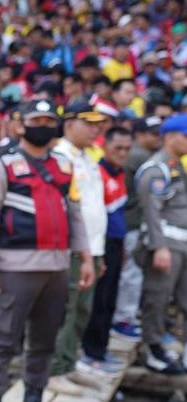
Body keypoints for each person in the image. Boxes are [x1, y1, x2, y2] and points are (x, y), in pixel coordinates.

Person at [0, 99, 94, 402]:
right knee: (3, 341)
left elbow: (75, 214)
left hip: (57, 267)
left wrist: (84, 257)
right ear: (20, 126)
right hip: (14, 268)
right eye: (35, 119)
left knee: (43, 342)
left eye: (48, 119)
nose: (43, 124)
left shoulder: (63, 165)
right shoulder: (0, 166)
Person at [49, 102, 110, 393]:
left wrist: (97, 253)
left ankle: (69, 364)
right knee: (67, 308)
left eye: (97, 124)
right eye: (89, 123)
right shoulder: (60, 157)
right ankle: (54, 371)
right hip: (73, 249)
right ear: (70, 123)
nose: (95, 129)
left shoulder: (87, 156)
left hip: (92, 248)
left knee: (83, 309)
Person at [133, 113, 187, 375]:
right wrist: (159, 246)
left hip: (183, 241)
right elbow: (152, 212)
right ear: (170, 136)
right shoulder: (157, 169)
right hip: (167, 241)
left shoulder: (177, 165)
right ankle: (154, 348)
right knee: (158, 297)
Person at [79, 127, 133, 376]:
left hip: (115, 243)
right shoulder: (96, 173)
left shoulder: (119, 173)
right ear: (105, 146)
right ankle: (91, 353)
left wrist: (121, 247)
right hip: (99, 244)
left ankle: (101, 348)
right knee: (98, 301)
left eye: (126, 149)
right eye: (117, 148)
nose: (122, 153)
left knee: (110, 299)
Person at [112, 116, 162, 340]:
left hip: (130, 220)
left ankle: (126, 316)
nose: (157, 137)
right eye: (152, 133)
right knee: (131, 273)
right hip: (131, 220)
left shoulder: (143, 155)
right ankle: (124, 318)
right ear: (139, 135)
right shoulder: (139, 155)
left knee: (131, 273)